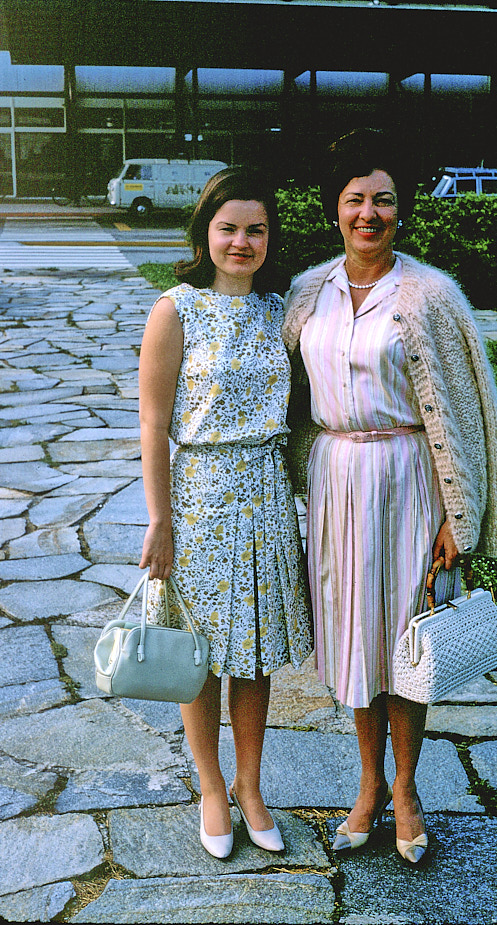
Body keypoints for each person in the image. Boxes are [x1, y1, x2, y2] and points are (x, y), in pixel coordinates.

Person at [282, 129, 497, 864]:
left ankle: (409, 789)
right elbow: (283, 394)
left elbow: (466, 410)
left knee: (407, 642)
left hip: (411, 480)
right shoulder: (306, 293)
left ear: (401, 211)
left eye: (383, 199)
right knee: (355, 640)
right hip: (337, 482)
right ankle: (367, 785)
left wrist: (460, 510)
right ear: (334, 210)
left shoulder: (430, 295)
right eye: (355, 199)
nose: (369, 213)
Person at [138, 166, 312, 860]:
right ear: (205, 232)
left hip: (266, 491)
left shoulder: (283, 310)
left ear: (270, 237)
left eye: (256, 229)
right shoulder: (175, 309)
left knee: (256, 651)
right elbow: (153, 421)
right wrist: (159, 518)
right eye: (229, 228)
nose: (242, 241)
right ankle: (211, 785)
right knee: (199, 652)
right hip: (200, 493)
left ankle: (250, 785)